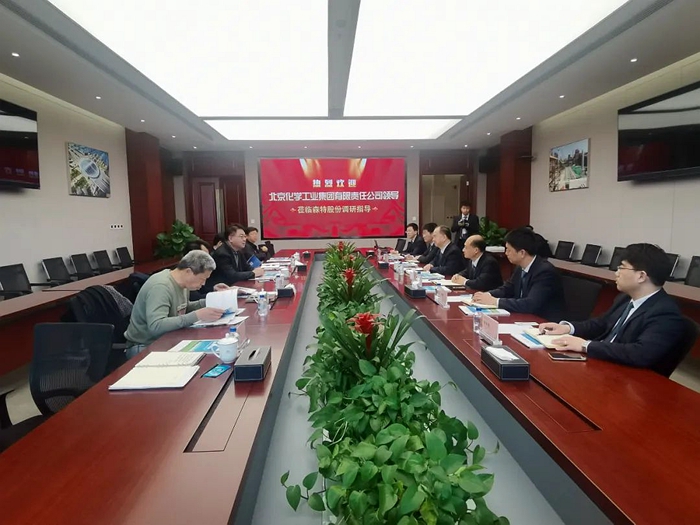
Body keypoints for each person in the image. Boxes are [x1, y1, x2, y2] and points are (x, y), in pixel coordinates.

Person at [539, 243, 687, 375]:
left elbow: (640, 353)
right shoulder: (625, 298)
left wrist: (585, 345)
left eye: (621, 267)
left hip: (625, 376)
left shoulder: (665, 313)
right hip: (600, 363)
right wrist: (567, 328)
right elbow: (601, 323)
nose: (616, 273)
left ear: (641, 276)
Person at [124, 250, 226, 357]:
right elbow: (156, 326)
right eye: (202, 279)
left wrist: (211, 300)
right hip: (144, 345)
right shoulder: (161, 287)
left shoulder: (182, 283)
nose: (203, 283)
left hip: (166, 339)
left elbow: (183, 308)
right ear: (188, 272)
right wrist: (197, 315)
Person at [473, 228, 565, 321]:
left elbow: (530, 304)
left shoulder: (545, 272)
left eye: (509, 250)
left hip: (544, 321)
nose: (506, 253)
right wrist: (487, 295)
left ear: (522, 253)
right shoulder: (520, 268)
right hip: (524, 317)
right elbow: (507, 289)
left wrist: (496, 302)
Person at [204, 223, 265, 292]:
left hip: (234, 286)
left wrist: (257, 270)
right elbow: (232, 276)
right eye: (241, 236)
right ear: (230, 238)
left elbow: (246, 267)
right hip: (221, 290)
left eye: (245, 236)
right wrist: (253, 273)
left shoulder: (238, 250)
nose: (244, 239)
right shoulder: (222, 254)